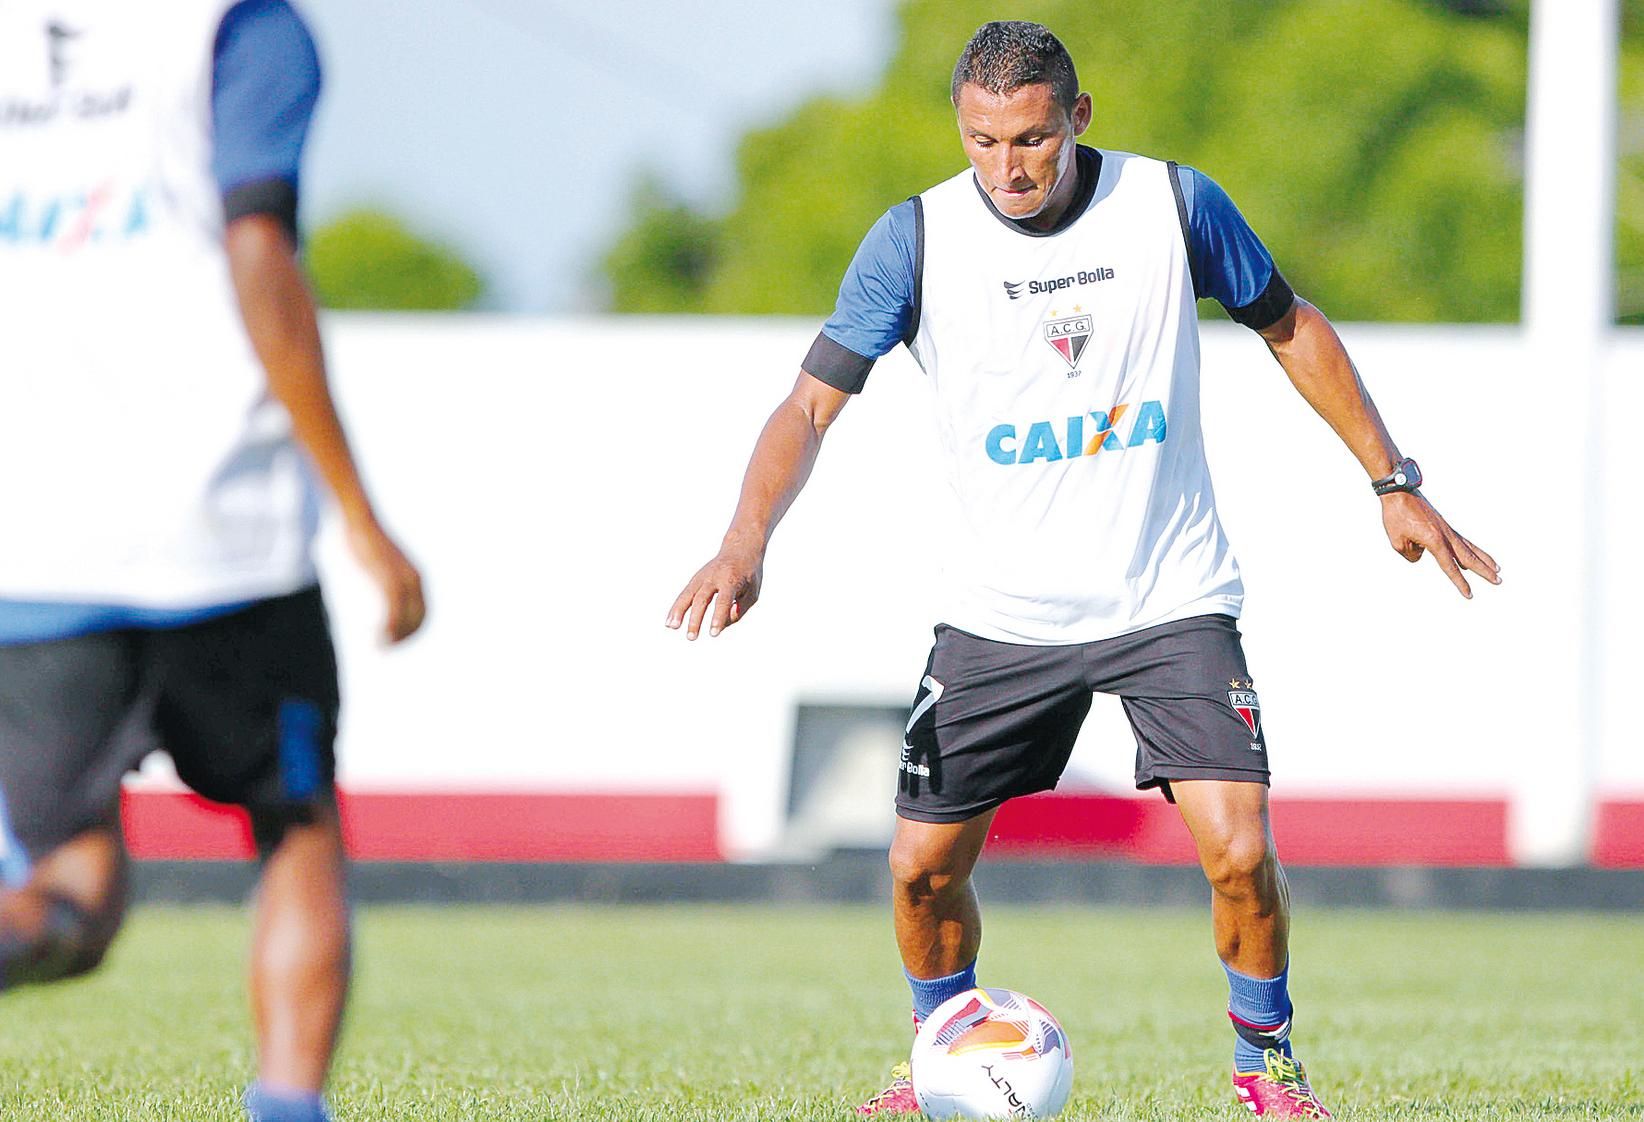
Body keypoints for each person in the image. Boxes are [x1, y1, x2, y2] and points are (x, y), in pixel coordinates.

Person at [668, 19, 1499, 1119]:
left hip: (1170, 597)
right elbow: (809, 404)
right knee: (919, 869)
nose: (1007, 168)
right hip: (998, 613)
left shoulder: (1174, 205)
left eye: (1031, 140)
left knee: (1242, 854)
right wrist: (746, 537)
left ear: (1078, 117)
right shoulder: (914, 239)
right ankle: (943, 1054)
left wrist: (1393, 481)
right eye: (981, 141)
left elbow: (1290, 326)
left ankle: (1267, 1068)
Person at [0, 2, 425, 1120]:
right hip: (223, 531)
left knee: (70, 897)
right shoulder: (243, 31)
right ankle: (287, 1106)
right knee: (293, 824)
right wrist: (361, 515)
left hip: (39, 549)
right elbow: (256, 248)